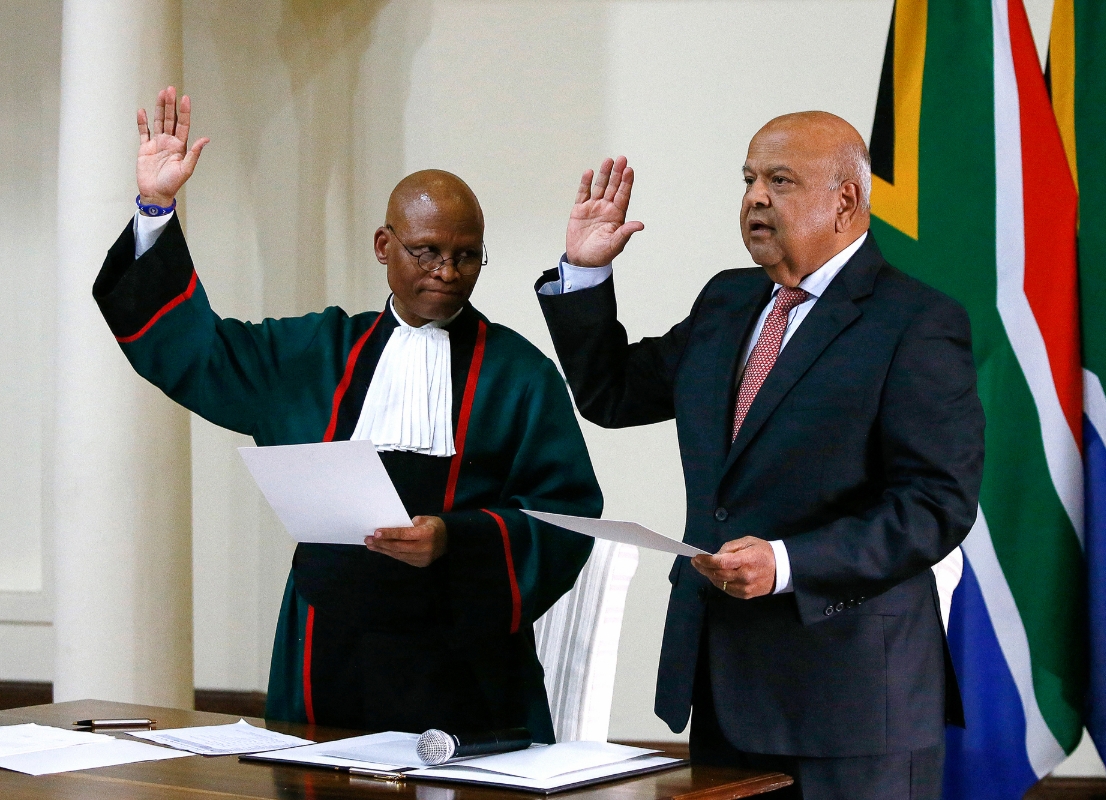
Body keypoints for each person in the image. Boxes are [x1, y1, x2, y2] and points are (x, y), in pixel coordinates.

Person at [93, 86, 601, 741]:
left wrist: (454, 537)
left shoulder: (519, 375)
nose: (447, 271)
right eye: (426, 251)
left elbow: (568, 515)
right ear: (383, 244)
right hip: (325, 659)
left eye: (466, 254)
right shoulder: (314, 352)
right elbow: (194, 351)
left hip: (465, 666)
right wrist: (155, 207)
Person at [536, 112, 984, 799]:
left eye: (780, 180)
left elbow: (934, 506)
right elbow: (614, 394)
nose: (755, 198)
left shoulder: (917, 323)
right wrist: (586, 275)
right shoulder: (728, 300)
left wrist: (786, 563)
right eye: (749, 179)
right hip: (723, 685)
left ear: (845, 200)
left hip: (853, 706)